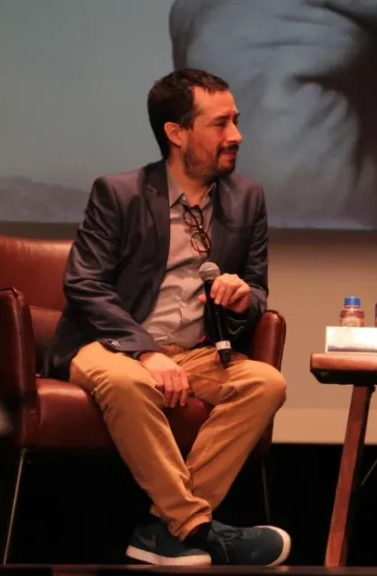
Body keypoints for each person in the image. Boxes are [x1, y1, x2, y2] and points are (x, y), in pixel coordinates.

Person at [46, 69, 290, 567]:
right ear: (176, 133)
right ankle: (199, 528)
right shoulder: (121, 193)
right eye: (220, 124)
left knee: (265, 383)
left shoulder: (248, 198)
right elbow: (84, 284)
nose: (236, 136)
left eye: (236, 122)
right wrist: (146, 351)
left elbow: (259, 290)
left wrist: (245, 298)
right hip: (108, 346)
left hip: (197, 352)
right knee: (130, 383)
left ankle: (167, 528)